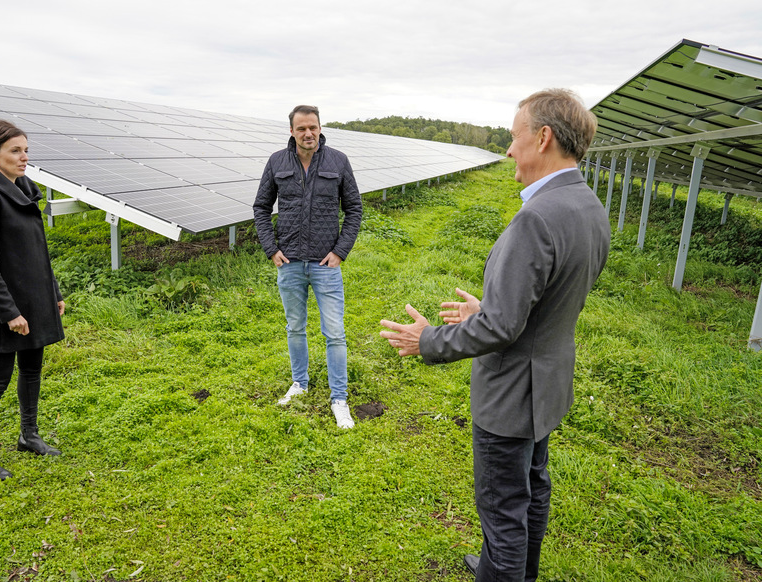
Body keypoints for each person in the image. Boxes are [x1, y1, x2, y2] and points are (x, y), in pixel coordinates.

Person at [379, 89, 610, 580]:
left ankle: (503, 568)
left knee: (503, 509)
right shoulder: (587, 206)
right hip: (545, 386)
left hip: (509, 396)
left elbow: (503, 328)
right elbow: (551, 300)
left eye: (513, 137)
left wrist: (427, 341)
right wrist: (493, 308)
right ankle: (514, 570)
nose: (508, 150)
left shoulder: (537, 218)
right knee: (532, 488)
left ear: (543, 138)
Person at [0, 120, 66, 480]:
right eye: (15, 151)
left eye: (26, 150)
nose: (24, 158)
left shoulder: (21, 188)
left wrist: (52, 292)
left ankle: (29, 435)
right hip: (2, 304)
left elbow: (37, 250)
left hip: (33, 298)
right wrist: (9, 312)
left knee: (32, 368)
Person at [253, 105, 363, 429]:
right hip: (289, 264)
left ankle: (339, 398)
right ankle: (299, 383)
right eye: (301, 129)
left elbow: (354, 209)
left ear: (320, 128)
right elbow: (261, 207)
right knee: (295, 328)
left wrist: (340, 252)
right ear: (291, 131)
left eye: (313, 127)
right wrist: (271, 249)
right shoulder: (276, 162)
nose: (308, 134)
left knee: (335, 332)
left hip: (325, 264)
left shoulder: (338, 161)